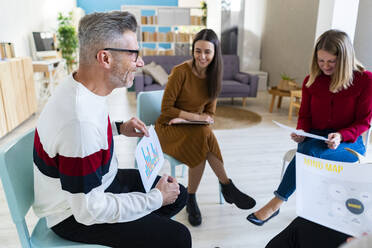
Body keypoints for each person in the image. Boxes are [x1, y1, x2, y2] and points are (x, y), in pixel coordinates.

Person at [32, 11, 191, 248]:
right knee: (178, 237)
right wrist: (154, 199)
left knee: (178, 194)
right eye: (133, 54)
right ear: (105, 59)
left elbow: (90, 131)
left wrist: (120, 128)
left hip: (100, 182)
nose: (140, 62)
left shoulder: (83, 86)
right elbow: (89, 212)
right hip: (74, 214)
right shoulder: (79, 124)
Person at [247, 29, 372, 226]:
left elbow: (363, 122)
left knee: (310, 153)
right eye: (321, 61)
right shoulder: (311, 81)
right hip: (316, 137)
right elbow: (305, 116)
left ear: (345, 59)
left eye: (331, 61)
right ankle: (311, 207)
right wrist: (300, 132)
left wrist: (340, 135)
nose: (325, 66)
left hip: (349, 143)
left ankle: (276, 203)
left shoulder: (365, 81)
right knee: (307, 148)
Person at [155, 28, 256, 227]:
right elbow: (166, 109)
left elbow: (210, 113)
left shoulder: (214, 76)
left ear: (215, 53)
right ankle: (224, 186)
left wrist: (202, 119)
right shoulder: (180, 72)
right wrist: (194, 117)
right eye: (198, 51)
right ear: (193, 50)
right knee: (203, 136)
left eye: (207, 52)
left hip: (194, 128)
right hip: (169, 126)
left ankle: (193, 199)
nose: (202, 56)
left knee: (203, 134)